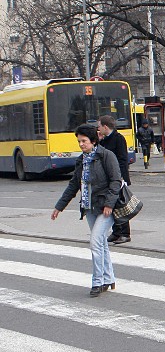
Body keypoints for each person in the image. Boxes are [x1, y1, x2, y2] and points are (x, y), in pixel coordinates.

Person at [51, 124, 122, 297]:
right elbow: (74, 184)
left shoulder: (106, 156)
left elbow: (115, 181)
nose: (81, 144)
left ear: (93, 140)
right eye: (79, 141)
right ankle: (108, 278)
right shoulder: (81, 160)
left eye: (84, 141)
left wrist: (109, 204)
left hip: (106, 207)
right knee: (101, 243)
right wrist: (59, 206)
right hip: (89, 206)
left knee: (95, 242)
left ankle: (97, 282)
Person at [98, 115, 132, 245]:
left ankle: (125, 233)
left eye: (99, 126)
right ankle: (116, 231)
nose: (98, 129)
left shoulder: (118, 139)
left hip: (117, 177)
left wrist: (122, 178)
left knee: (120, 205)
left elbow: (123, 159)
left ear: (105, 127)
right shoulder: (104, 140)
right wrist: (99, 141)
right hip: (107, 178)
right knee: (111, 204)